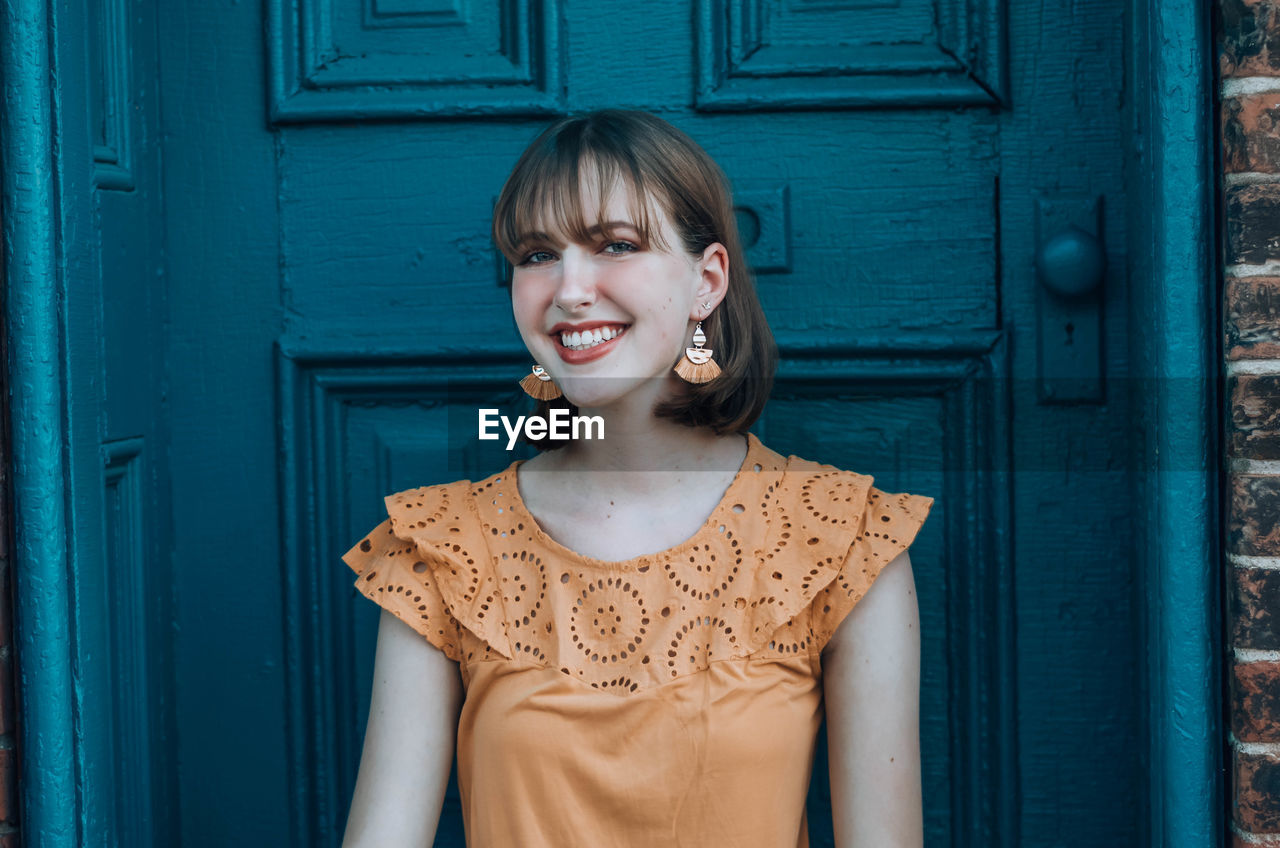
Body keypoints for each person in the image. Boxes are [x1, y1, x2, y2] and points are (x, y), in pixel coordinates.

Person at [338, 109, 934, 848]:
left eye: (615, 245)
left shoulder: (843, 536)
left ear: (707, 281)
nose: (569, 290)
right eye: (535, 255)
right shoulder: (443, 547)